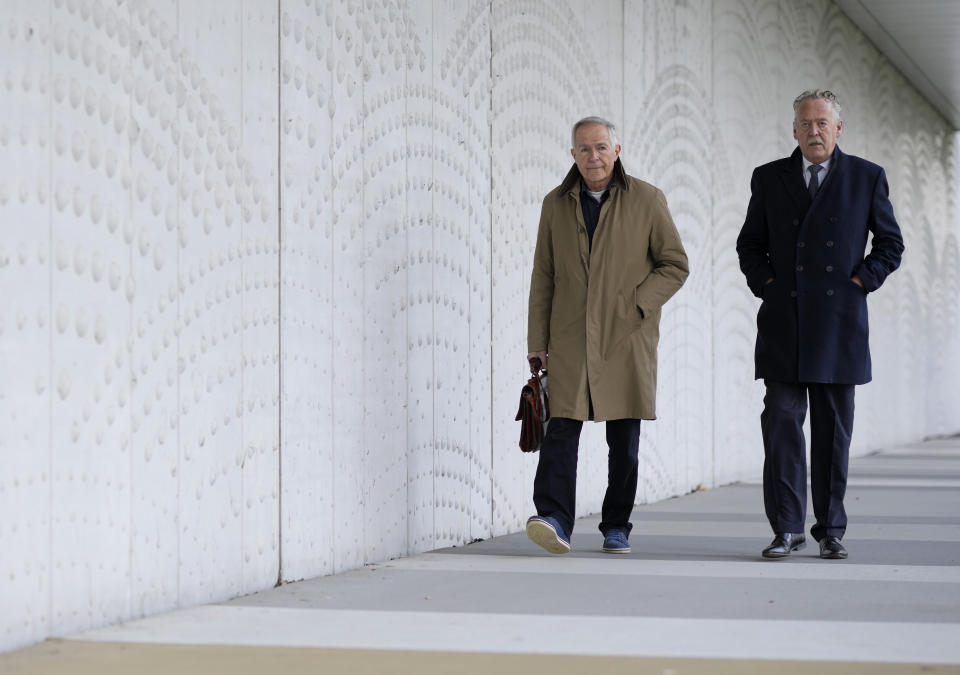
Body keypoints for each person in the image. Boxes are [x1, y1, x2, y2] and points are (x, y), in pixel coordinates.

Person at [736, 90, 904, 560]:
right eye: (805, 124)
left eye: (822, 123)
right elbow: (749, 245)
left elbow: (890, 244)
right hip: (784, 323)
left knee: (832, 432)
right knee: (782, 426)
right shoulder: (768, 178)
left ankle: (831, 528)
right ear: (794, 130)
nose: (814, 131)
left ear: (838, 128)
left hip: (838, 326)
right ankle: (786, 528)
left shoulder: (867, 177)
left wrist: (860, 282)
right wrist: (766, 283)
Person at [525, 116, 689, 555]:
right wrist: (537, 342)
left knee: (625, 440)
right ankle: (554, 518)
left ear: (617, 151)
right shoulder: (554, 204)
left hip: (625, 337)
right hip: (570, 338)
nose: (592, 156)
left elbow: (675, 265)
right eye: (583, 149)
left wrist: (637, 303)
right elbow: (543, 276)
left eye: (600, 147)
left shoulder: (648, 200)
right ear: (572, 155)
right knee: (560, 430)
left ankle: (617, 524)